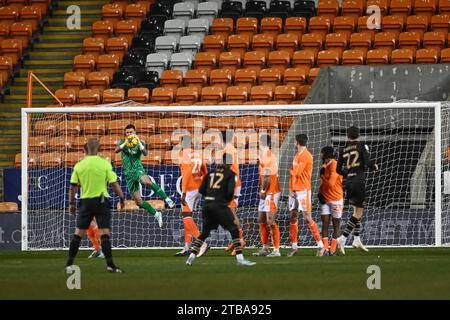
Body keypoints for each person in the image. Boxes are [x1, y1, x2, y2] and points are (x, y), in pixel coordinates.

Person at [65, 138, 125, 273]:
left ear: (84, 150)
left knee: (78, 234)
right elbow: (114, 183)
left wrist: (71, 204)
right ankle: (110, 265)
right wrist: (121, 198)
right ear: (98, 149)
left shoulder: (79, 165)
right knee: (105, 234)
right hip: (101, 201)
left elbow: (73, 187)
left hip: (85, 202)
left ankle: (69, 264)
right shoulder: (104, 164)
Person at [186, 153, 256, 266]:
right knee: (234, 229)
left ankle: (191, 257)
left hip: (207, 206)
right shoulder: (231, 174)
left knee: (204, 233)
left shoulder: (210, 174)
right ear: (229, 163)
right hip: (220, 206)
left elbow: (201, 190)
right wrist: (224, 199)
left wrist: (210, 196)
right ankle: (240, 259)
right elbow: (229, 193)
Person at [115, 124, 175, 227]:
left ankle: (167, 199)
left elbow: (145, 153)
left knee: (147, 181)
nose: (129, 134)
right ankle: (156, 214)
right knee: (139, 202)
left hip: (138, 170)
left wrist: (139, 143)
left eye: (131, 132)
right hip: (128, 175)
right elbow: (116, 150)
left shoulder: (140, 143)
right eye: (127, 133)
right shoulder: (122, 142)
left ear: (135, 133)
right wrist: (125, 143)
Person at [336, 126, 379, 254]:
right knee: (358, 214)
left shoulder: (342, 149)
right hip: (359, 182)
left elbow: (338, 169)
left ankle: (356, 239)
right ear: (358, 136)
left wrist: (348, 173)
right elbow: (367, 162)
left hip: (348, 183)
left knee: (356, 210)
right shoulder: (361, 146)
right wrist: (374, 166)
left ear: (348, 136)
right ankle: (343, 238)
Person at [288, 134, 324, 257]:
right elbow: (294, 175)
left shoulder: (306, 155)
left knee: (307, 216)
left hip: (303, 190)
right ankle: (294, 247)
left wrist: (291, 170)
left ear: (296, 142)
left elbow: (296, 173)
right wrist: (291, 188)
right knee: (292, 216)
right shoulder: (297, 155)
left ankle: (321, 246)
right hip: (294, 190)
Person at [175, 135, 209, 257]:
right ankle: (187, 246)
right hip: (198, 188)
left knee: (185, 216)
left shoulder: (184, 155)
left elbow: (186, 174)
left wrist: (183, 193)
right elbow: (205, 171)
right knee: (188, 216)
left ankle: (202, 243)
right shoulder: (198, 154)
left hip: (189, 190)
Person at [253, 134, 281, 257]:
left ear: (262, 143)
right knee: (261, 219)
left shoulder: (269, 156)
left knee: (270, 221)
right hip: (265, 191)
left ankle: (276, 250)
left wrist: (263, 191)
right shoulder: (264, 156)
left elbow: (267, 177)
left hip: (272, 192)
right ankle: (265, 247)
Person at [222, 130, 245, 255]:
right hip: (235, 183)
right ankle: (237, 239)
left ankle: (239, 241)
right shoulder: (232, 148)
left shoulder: (228, 150)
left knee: (231, 213)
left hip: (233, 184)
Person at [318, 146, 343, 256]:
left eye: (322, 153)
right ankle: (325, 249)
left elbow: (331, 184)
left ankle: (332, 250)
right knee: (325, 224)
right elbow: (323, 184)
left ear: (326, 155)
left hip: (336, 199)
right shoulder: (325, 165)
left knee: (336, 224)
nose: (321, 155)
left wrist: (322, 176)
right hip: (325, 199)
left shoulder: (335, 165)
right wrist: (319, 193)